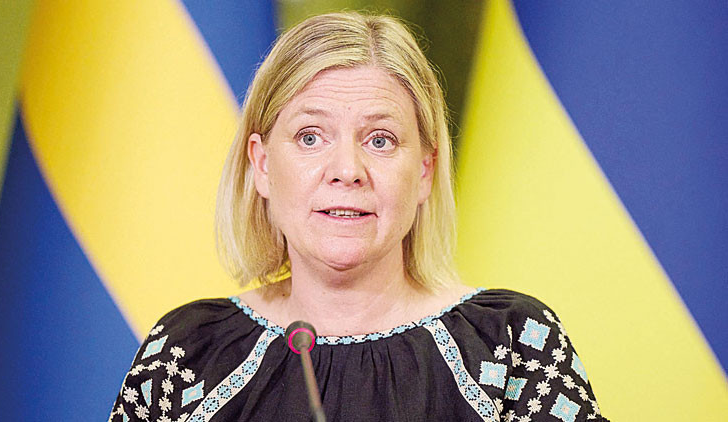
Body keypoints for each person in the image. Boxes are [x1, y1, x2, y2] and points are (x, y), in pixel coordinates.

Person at [109, 12, 607, 422]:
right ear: (261, 165)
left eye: (380, 140)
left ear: (425, 171)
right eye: (310, 137)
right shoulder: (185, 354)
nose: (347, 170)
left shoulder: (513, 344)